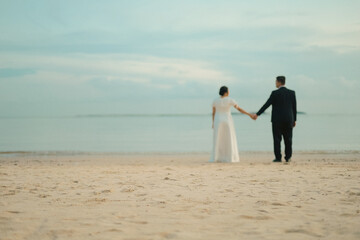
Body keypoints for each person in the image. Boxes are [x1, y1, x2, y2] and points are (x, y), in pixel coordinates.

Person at [253, 76, 297, 163]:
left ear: (279, 82)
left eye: (276, 82)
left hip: (277, 120)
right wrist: (294, 120)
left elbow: (267, 105)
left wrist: (257, 114)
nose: (275, 83)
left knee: (277, 139)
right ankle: (288, 157)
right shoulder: (292, 93)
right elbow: (294, 107)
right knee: (288, 139)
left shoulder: (275, 93)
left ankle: (278, 158)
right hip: (289, 119)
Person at [210, 86, 255, 163]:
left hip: (218, 120)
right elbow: (239, 109)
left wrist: (213, 122)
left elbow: (213, 113)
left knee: (218, 139)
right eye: (228, 91)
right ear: (226, 92)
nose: (229, 92)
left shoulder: (215, 100)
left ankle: (217, 157)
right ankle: (229, 157)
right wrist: (249, 114)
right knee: (229, 138)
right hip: (227, 120)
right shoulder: (230, 100)